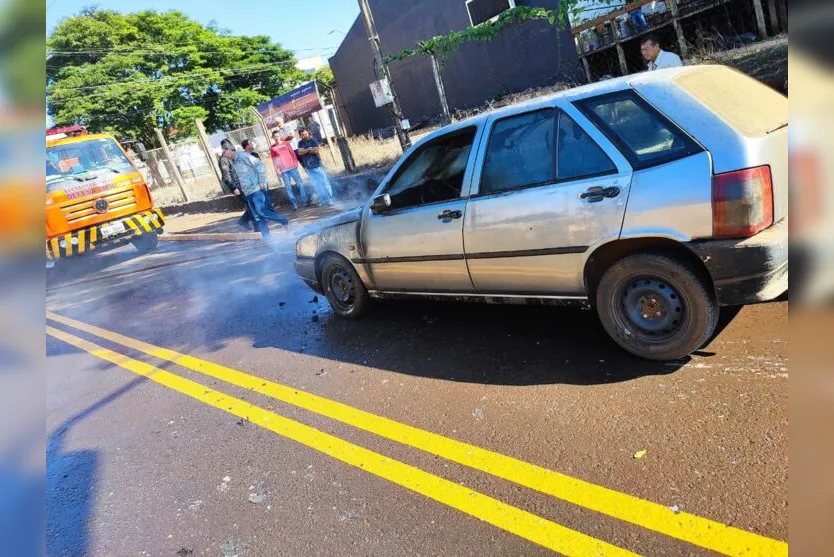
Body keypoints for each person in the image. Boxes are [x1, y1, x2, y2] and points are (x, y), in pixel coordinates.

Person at [233, 138, 289, 238]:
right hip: (248, 191)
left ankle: (284, 221)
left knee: (262, 211)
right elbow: (241, 175)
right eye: (251, 142)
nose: (254, 143)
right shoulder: (240, 158)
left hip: (257, 189)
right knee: (257, 216)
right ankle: (267, 238)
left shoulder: (253, 155)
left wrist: (262, 183)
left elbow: (260, 169)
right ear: (246, 146)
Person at [219, 139, 255, 230]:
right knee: (251, 203)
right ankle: (251, 223)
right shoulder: (223, 160)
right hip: (236, 185)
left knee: (252, 203)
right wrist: (234, 187)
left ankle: (245, 221)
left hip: (242, 183)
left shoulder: (232, 156)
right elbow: (226, 176)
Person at [270, 129, 309, 211]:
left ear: (280, 136)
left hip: (292, 168)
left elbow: (292, 153)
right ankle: (294, 204)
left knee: (300, 184)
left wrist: (295, 164)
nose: (276, 138)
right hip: (284, 171)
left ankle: (305, 201)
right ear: (273, 138)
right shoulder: (273, 148)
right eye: (275, 137)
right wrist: (277, 170)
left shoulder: (286, 143)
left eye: (277, 136)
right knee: (288, 188)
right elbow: (274, 159)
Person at [296, 128, 333, 206]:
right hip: (308, 167)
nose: (304, 136)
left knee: (324, 182)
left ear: (308, 133)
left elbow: (316, 151)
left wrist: (305, 150)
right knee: (317, 184)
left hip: (317, 165)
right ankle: (324, 200)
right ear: (300, 136)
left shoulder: (313, 140)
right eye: (302, 135)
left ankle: (330, 199)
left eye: (305, 134)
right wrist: (309, 149)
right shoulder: (300, 143)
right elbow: (300, 153)